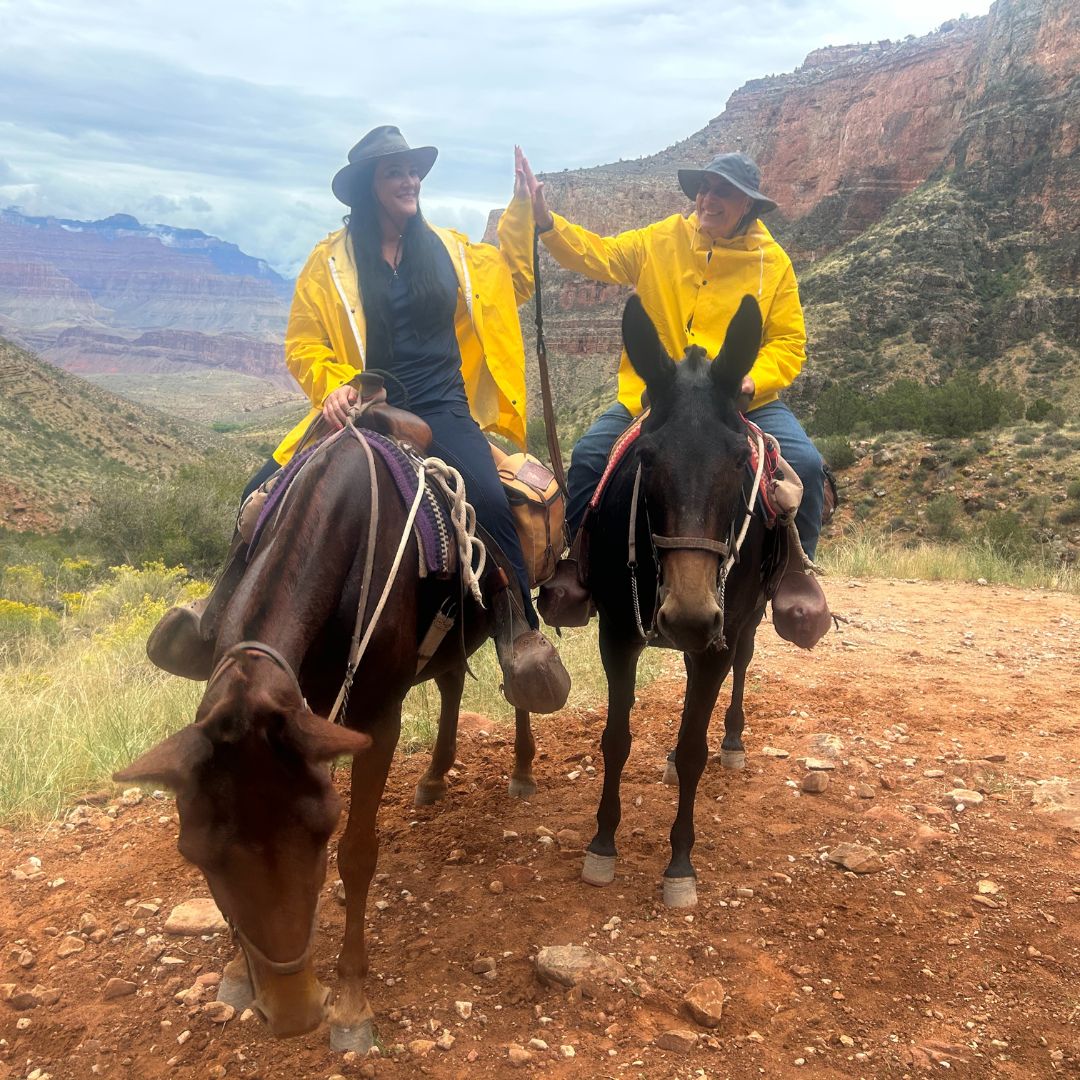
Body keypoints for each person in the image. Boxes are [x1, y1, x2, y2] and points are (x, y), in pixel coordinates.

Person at [148, 126, 569, 712]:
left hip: (444, 405)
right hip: (369, 406)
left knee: (493, 503)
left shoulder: (451, 252)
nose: (409, 180)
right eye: (394, 171)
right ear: (369, 187)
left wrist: (525, 210)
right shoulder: (330, 263)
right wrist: (334, 387)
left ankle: (518, 635)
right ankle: (213, 617)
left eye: (413, 170)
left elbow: (511, 281)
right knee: (259, 493)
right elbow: (303, 345)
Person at [505, 147, 830, 648]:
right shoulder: (661, 239)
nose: (708, 198)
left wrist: (752, 380)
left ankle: (794, 571)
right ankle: (581, 564)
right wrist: (545, 220)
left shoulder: (773, 264)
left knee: (804, 463)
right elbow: (601, 255)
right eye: (704, 187)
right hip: (660, 398)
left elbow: (789, 342)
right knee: (592, 454)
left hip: (738, 397)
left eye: (723, 192)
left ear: (747, 204)